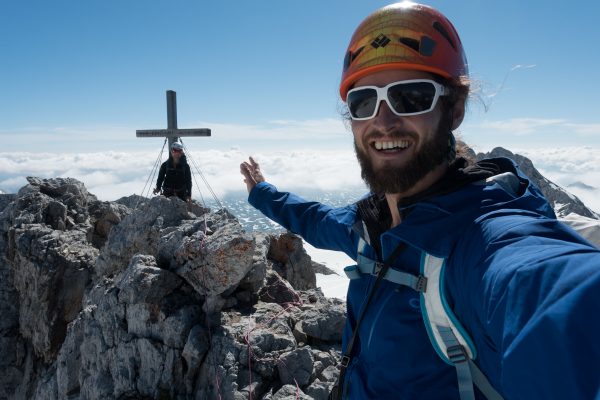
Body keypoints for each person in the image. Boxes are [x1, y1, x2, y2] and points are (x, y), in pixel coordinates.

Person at [240, 3, 600, 400]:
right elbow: (313, 218)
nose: (383, 120)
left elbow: (551, 290)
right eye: (363, 101)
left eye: (411, 96)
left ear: (455, 109)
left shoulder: (484, 240)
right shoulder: (369, 226)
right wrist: (261, 191)